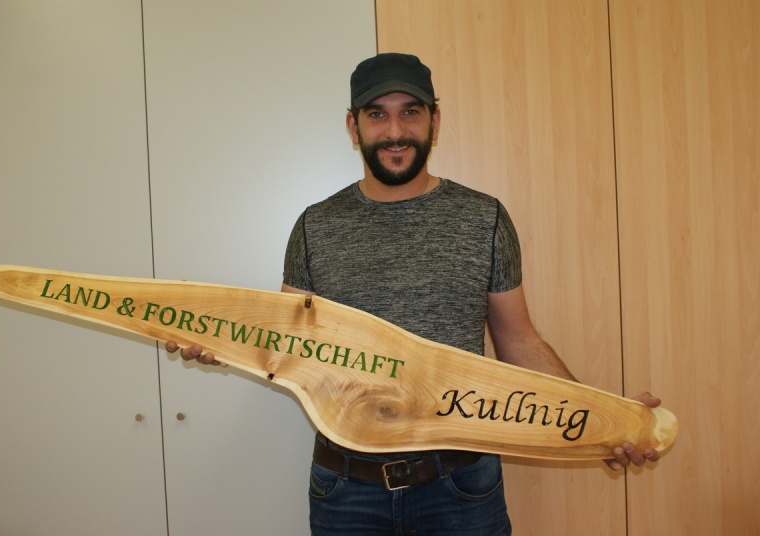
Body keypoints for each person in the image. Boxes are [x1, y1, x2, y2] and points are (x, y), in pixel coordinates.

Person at [166, 52, 662, 535]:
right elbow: (287, 344)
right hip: (346, 490)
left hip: (463, 487)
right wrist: (217, 340)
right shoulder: (315, 227)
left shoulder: (483, 218)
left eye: (410, 112)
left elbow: (519, 341)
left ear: (434, 121)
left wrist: (601, 421)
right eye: (377, 114)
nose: (395, 131)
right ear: (353, 126)